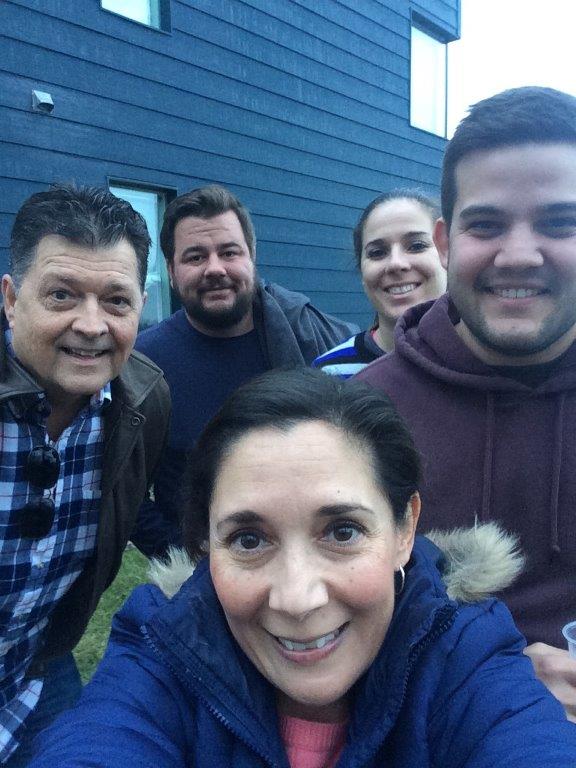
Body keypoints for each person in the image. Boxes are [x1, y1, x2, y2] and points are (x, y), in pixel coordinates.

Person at [29, 369, 576, 768]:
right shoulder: (162, 643)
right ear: (204, 546)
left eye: (342, 532)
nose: (297, 598)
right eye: (248, 539)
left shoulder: (465, 652)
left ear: (405, 528)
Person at [356, 86, 576, 721]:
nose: (519, 255)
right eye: (487, 225)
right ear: (447, 243)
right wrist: (483, 684)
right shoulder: (358, 418)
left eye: (558, 223)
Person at [0, 184, 170, 765]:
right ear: (10, 298)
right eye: (62, 295)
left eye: (116, 301)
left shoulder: (144, 400)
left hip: (35, 672)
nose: (92, 325)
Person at [135, 184, 357, 553]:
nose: (215, 269)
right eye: (195, 257)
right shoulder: (143, 363)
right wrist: (193, 559)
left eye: (229, 252)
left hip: (316, 552)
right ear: (172, 271)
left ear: (252, 257)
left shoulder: (310, 337)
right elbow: (128, 493)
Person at [312, 190, 446, 377]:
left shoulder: (488, 363)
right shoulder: (330, 375)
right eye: (377, 252)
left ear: (447, 253)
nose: (395, 263)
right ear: (361, 270)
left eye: (416, 246)